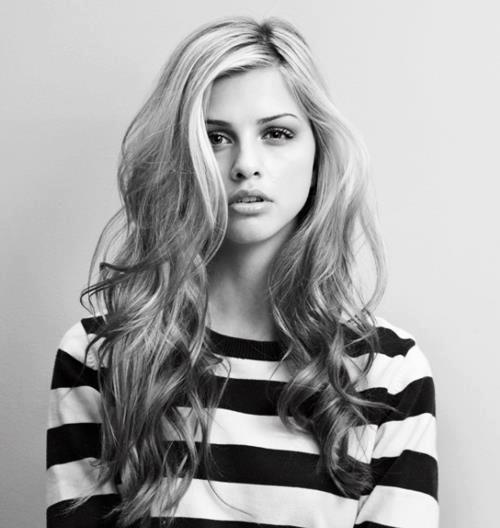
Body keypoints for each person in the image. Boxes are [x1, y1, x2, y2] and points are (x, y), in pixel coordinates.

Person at [46, 16, 438, 528]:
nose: (245, 164)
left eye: (276, 133)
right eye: (215, 137)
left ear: (318, 156)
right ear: (181, 159)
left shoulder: (388, 370)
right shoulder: (101, 357)